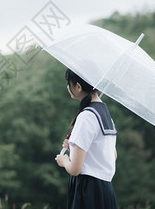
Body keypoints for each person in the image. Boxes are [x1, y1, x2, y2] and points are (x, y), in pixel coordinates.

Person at [55, 69, 118, 209]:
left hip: (87, 191)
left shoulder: (86, 116)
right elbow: (112, 155)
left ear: (78, 86)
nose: (67, 87)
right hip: (106, 190)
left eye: (68, 83)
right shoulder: (105, 113)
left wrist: (64, 161)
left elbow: (75, 169)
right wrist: (75, 149)